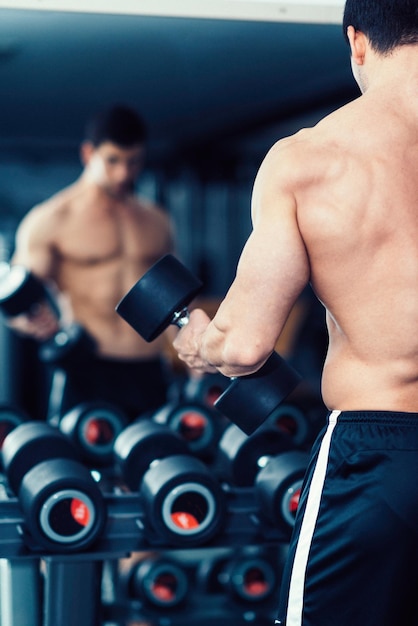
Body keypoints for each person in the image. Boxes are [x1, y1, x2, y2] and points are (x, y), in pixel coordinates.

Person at [172, 1, 418, 624]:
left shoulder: (309, 159)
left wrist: (205, 339)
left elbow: (248, 344)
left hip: (377, 458)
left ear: (357, 40)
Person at [9, 104, 176, 422]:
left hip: (149, 368)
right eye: (112, 161)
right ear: (88, 154)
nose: (124, 173)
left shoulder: (157, 221)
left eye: (134, 161)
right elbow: (17, 298)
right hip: (88, 368)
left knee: (158, 465)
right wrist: (28, 321)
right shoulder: (52, 219)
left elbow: (174, 297)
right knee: (81, 470)